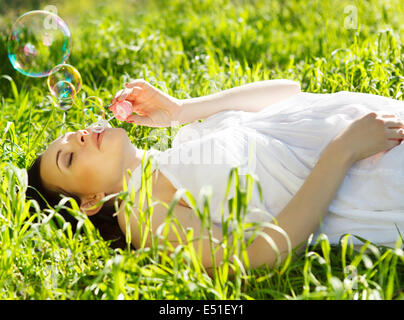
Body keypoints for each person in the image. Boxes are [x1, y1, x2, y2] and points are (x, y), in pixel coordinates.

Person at [26, 78, 404, 274]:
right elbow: (257, 256)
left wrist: (181, 110)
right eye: (69, 158)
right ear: (90, 203)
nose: (78, 137)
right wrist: (343, 151)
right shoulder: (141, 213)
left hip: (373, 132)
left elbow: (288, 92)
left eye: (70, 135)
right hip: (370, 175)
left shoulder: (174, 152)